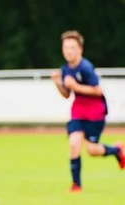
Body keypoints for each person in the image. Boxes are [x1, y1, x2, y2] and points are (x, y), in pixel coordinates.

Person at [51, 30, 125, 193]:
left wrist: (76, 86)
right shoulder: (65, 69)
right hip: (78, 111)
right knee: (73, 143)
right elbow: (67, 94)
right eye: (66, 48)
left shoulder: (86, 67)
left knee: (92, 150)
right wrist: (58, 83)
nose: (69, 51)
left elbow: (98, 90)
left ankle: (117, 150)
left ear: (80, 50)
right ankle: (76, 185)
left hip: (95, 112)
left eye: (72, 48)